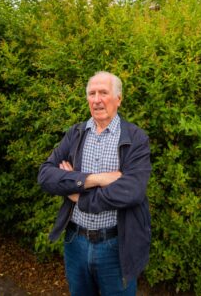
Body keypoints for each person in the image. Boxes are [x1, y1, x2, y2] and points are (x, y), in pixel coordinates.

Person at [38, 71, 152, 295]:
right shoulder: (76, 133)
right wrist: (94, 179)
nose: (97, 99)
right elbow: (45, 175)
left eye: (103, 92)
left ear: (118, 99)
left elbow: (132, 191)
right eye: (92, 93)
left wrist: (78, 194)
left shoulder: (136, 138)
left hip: (116, 245)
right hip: (75, 242)